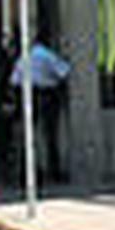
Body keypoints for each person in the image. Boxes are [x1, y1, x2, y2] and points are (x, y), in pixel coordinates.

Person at [12, 36, 72, 183]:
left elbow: (14, 79)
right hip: (47, 95)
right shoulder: (46, 54)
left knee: (28, 135)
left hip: (27, 95)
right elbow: (64, 72)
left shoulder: (24, 58)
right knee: (50, 135)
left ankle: (28, 172)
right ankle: (54, 171)